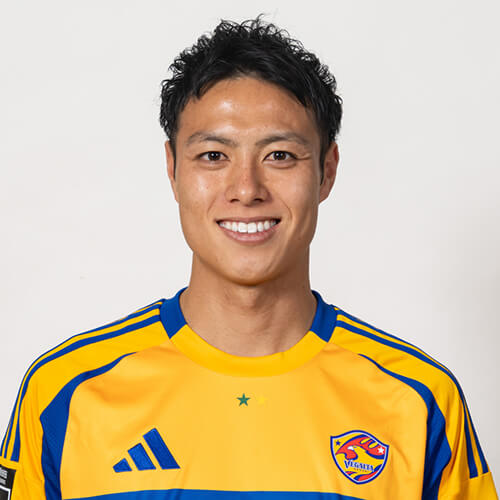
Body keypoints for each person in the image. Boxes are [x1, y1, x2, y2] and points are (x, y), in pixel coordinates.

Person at [0, 16, 497, 500]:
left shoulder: (419, 401)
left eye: (280, 156)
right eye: (213, 156)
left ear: (326, 171)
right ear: (172, 169)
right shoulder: (65, 393)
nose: (246, 189)